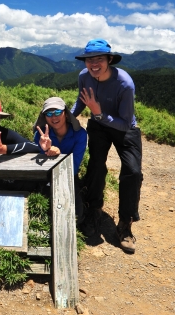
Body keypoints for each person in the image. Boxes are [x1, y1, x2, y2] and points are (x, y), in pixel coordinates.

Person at [71, 38, 143, 254]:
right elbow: (81, 101)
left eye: (99, 59)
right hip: (98, 125)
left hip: (124, 128)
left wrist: (99, 113)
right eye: (89, 59)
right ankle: (94, 209)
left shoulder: (125, 84)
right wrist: (66, 118)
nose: (93, 64)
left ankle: (125, 223)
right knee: (95, 166)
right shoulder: (84, 76)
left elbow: (124, 122)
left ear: (109, 60)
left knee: (133, 171)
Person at [33, 97, 87, 222]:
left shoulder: (80, 134)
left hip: (69, 177)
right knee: (45, 211)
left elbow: (74, 166)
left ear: (66, 114)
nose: (54, 117)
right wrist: (46, 150)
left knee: (76, 217)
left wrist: (58, 154)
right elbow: (39, 165)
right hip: (46, 177)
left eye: (57, 112)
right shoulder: (40, 136)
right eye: (49, 113)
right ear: (45, 117)